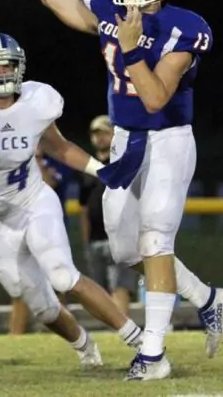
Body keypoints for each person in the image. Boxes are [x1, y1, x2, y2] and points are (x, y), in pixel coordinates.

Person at [0, 0, 223, 380]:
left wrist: (130, 49)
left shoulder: (183, 28)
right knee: (126, 251)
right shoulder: (107, 5)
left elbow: (155, 98)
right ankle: (208, 298)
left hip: (167, 140)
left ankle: (153, 355)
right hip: (126, 140)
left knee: (155, 239)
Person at [0, 32, 145, 369]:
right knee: (39, 304)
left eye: (7, 65)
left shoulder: (35, 102)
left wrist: (101, 170)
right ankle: (84, 346)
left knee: (63, 276)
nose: (2, 72)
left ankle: (141, 341)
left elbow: (60, 148)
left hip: (33, 200)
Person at [7, 146, 73, 335]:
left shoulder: (58, 162)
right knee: (22, 290)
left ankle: (69, 335)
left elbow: (50, 182)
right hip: (24, 233)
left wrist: (37, 163)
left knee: (59, 286)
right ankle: (15, 335)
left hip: (52, 234)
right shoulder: (16, 163)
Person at [79, 115, 138, 315]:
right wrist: (86, 242)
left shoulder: (123, 163)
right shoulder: (88, 168)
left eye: (104, 133)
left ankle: (124, 329)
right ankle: (114, 328)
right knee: (100, 291)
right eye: (96, 134)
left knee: (120, 286)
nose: (100, 138)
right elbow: (84, 209)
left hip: (119, 237)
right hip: (96, 239)